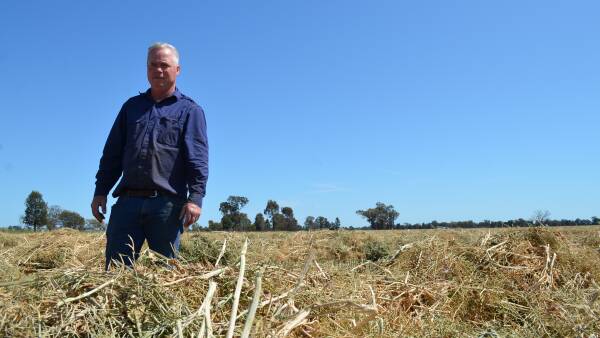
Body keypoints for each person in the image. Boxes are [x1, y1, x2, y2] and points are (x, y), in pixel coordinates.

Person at [91, 42, 208, 269]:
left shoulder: (190, 111)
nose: (158, 70)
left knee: (164, 275)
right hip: (127, 204)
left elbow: (198, 158)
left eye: (164, 65)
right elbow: (112, 153)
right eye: (153, 65)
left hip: (166, 206)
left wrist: (195, 198)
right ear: (147, 69)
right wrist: (100, 191)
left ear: (177, 70)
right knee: (116, 273)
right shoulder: (131, 107)